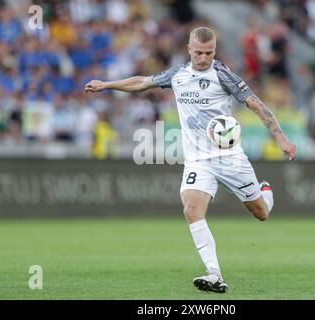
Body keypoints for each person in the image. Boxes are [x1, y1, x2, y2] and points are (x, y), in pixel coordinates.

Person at [85, 27, 298, 293]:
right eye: (198, 52)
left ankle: (265, 191)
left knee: (261, 213)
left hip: (229, 156)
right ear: (189, 49)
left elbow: (256, 104)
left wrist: (280, 138)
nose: (203, 58)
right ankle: (214, 274)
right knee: (192, 210)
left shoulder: (223, 75)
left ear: (214, 51)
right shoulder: (178, 74)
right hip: (198, 160)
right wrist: (107, 85)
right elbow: (142, 82)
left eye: (209, 53)